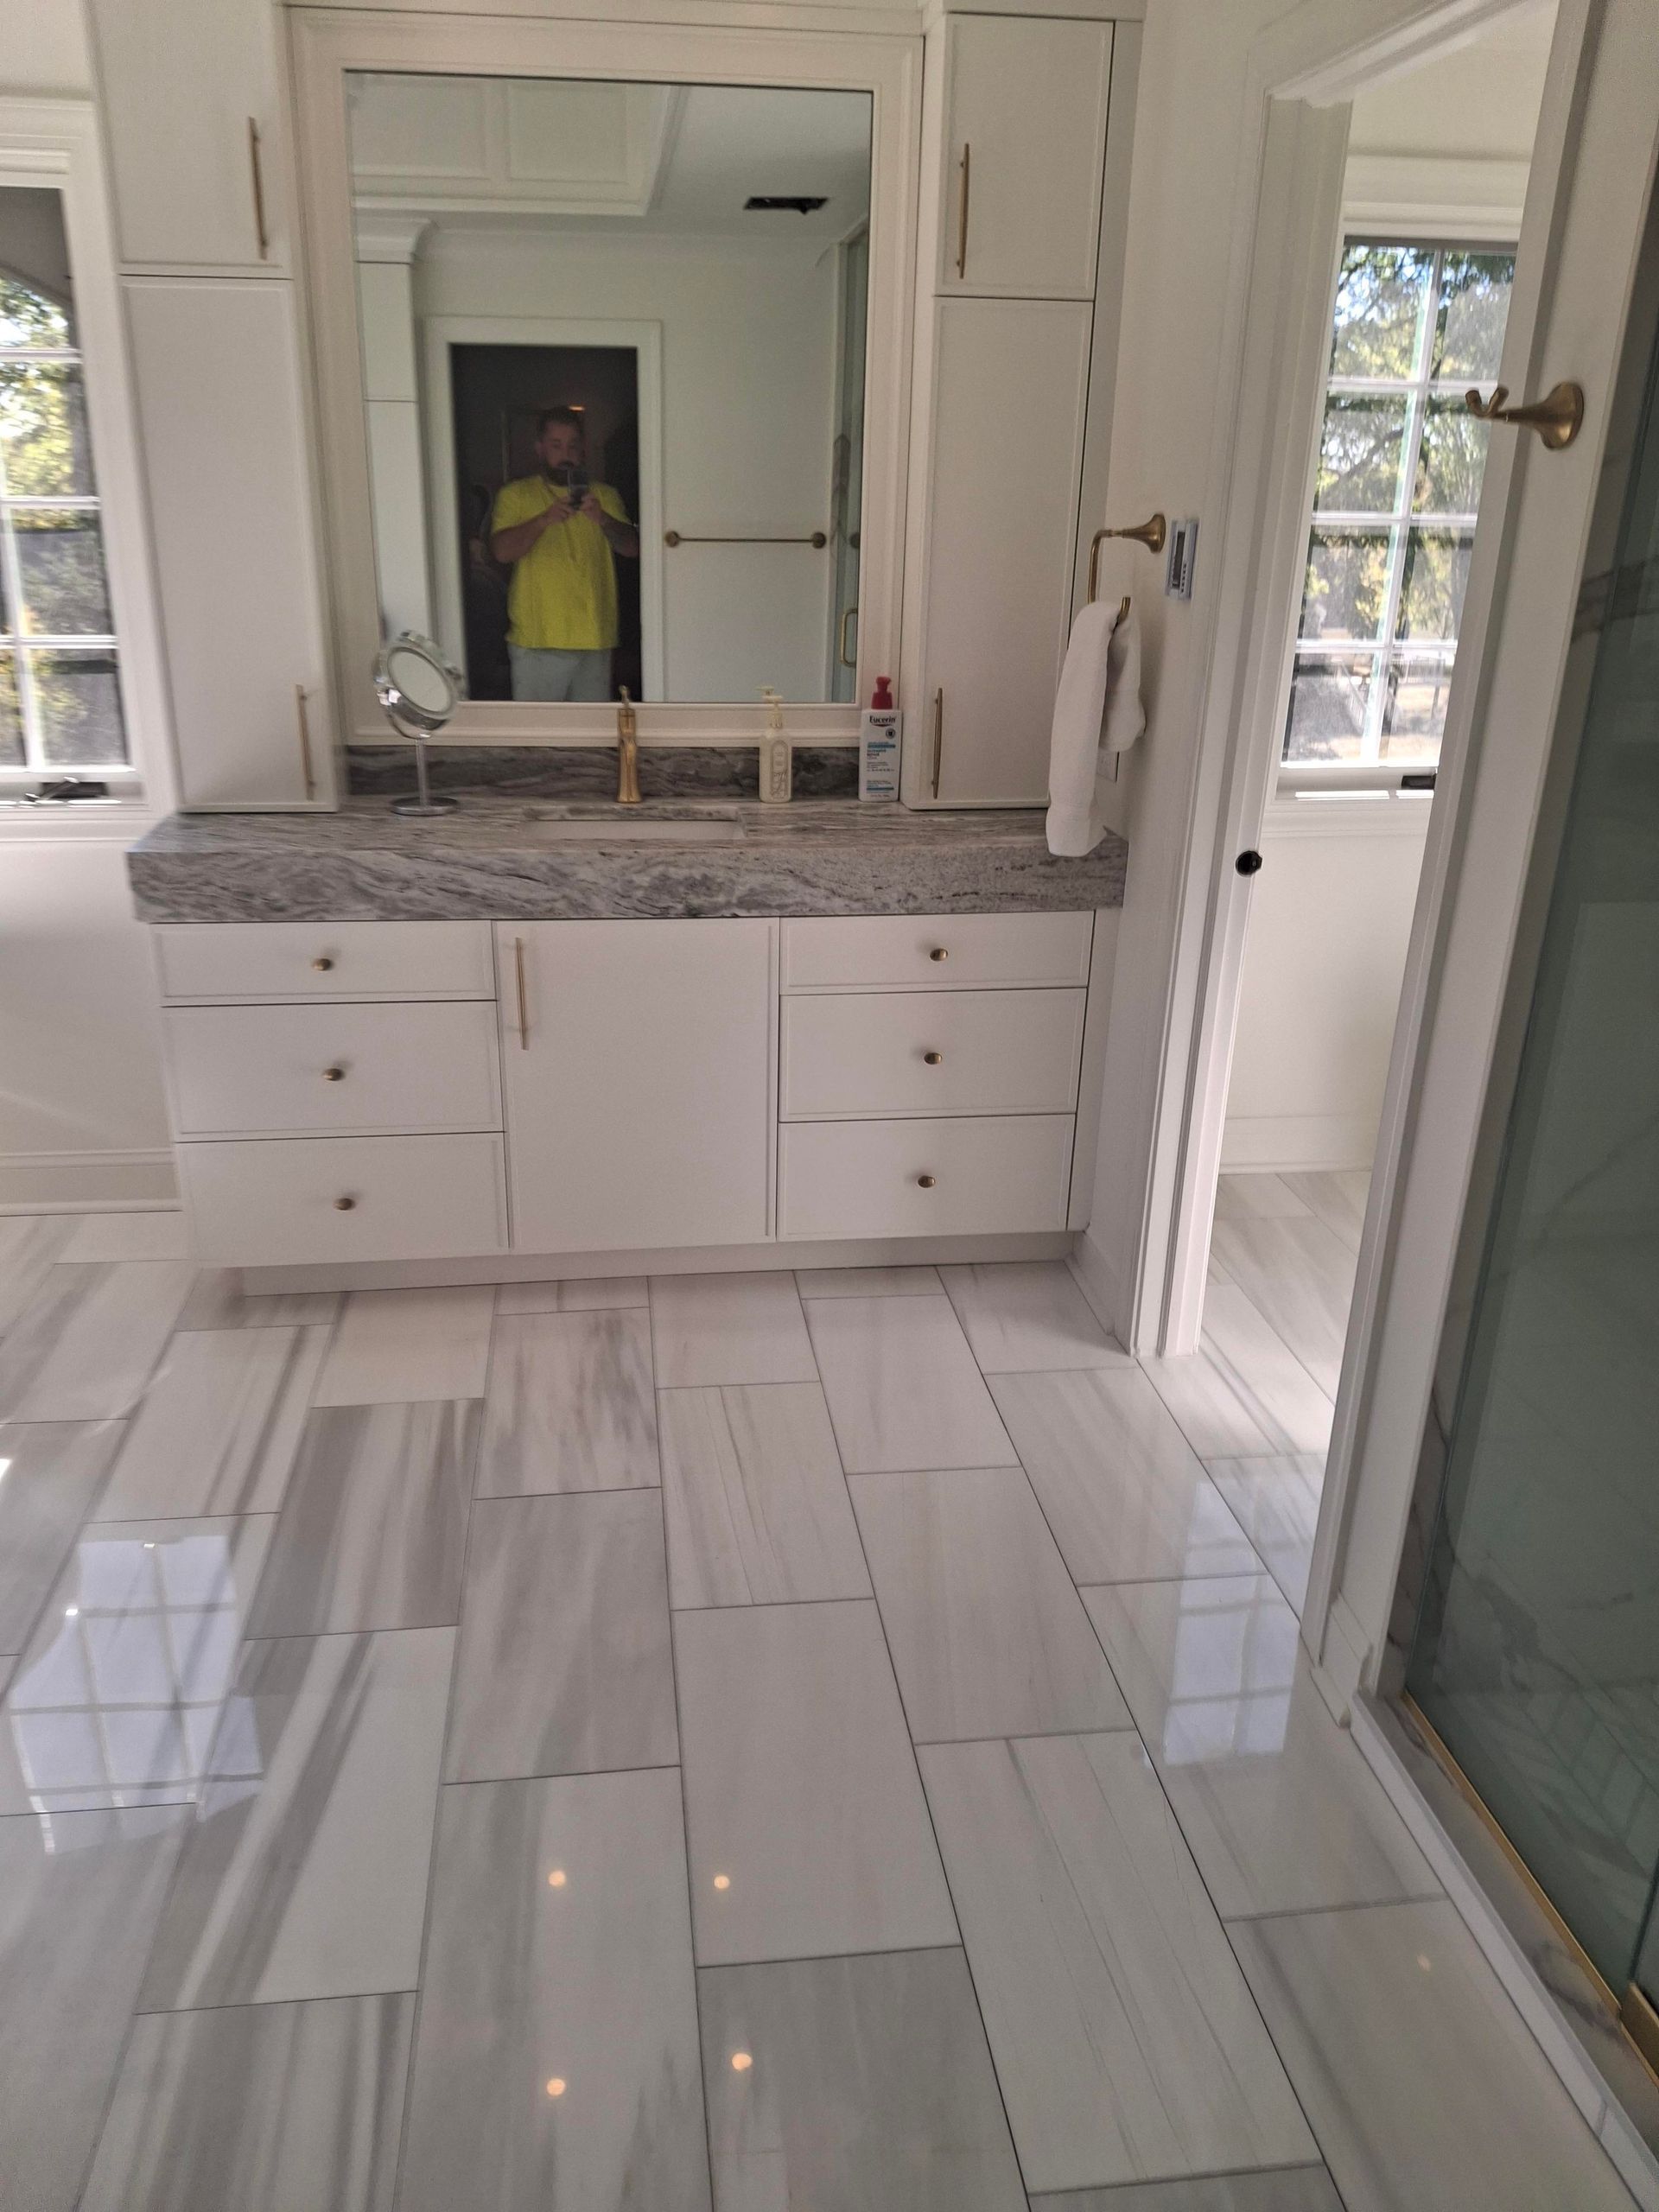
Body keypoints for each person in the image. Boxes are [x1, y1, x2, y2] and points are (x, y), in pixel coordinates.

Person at [489, 408, 639, 702]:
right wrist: (543, 520)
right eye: (556, 445)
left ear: (583, 448)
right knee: (538, 736)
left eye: (572, 444)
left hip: (596, 636)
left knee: (590, 736)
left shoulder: (605, 496)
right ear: (540, 448)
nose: (565, 452)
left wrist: (604, 519)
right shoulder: (516, 495)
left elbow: (632, 548)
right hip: (538, 638)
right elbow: (502, 552)